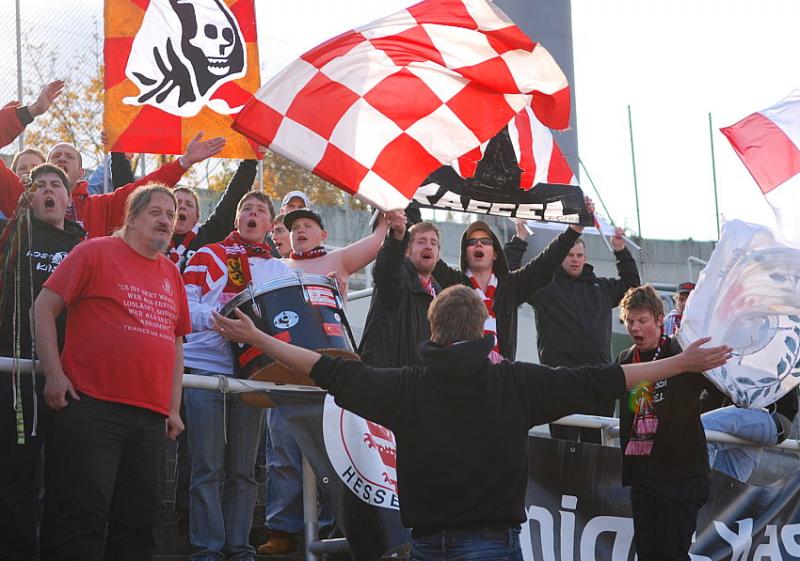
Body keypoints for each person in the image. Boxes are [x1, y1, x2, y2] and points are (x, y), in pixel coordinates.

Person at [212, 284, 731, 561]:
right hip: (491, 542)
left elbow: (329, 371)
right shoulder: (517, 384)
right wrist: (680, 363)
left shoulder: (407, 386)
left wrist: (258, 338)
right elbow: (606, 378)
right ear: (483, 330)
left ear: (433, 331)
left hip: (424, 541)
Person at [34, 184, 190, 561]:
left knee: (139, 522)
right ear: (132, 217)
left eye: (171, 215)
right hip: (91, 407)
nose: (166, 221)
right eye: (156, 212)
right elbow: (42, 308)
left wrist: (173, 407)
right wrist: (54, 375)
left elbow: (176, 343)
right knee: (81, 516)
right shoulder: (93, 252)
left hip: (150, 417)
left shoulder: (172, 273)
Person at [181, 191, 293, 561]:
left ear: (269, 225)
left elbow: (287, 321)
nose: (252, 213)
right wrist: (220, 323)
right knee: (207, 467)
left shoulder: (281, 270)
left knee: (244, 469)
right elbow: (186, 302)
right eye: (247, 208)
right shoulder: (207, 254)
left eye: (260, 210)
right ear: (236, 219)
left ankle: (239, 548)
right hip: (205, 368)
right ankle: (208, 550)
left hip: (255, 372)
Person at [0, 164, 85, 561]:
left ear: (70, 200)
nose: (49, 191)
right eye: (40, 186)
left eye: (57, 186)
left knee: (67, 479)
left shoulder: (86, 246)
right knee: (16, 475)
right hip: (15, 374)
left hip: (73, 378)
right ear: (27, 198)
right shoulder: (12, 236)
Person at [1, 105, 226, 237]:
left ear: (81, 174)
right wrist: (29, 111)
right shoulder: (23, 200)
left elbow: (144, 188)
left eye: (69, 156)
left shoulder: (102, 207)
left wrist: (184, 162)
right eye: (55, 157)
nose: (61, 158)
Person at [616, 285, 723, 561]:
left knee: (672, 555)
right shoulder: (626, 359)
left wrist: (691, 416)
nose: (635, 328)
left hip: (682, 477)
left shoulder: (680, 350)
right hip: (643, 476)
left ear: (659, 320)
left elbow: (717, 390)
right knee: (648, 555)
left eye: (642, 321)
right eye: (630, 321)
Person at [433, 202, 594, 361]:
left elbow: (545, 263)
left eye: (486, 241)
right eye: (472, 242)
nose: (479, 243)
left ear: (495, 254)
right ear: (465, 254)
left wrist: (575, 229)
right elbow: (424, 253)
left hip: (500, 378)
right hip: (462, 377)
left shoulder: (511, 286)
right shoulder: (454, 283)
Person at [531, 227, 640, 443]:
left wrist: (620, 250)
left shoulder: (600, 287)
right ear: (560, 256)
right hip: (561, 381)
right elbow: (512, 279)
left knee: (596, 450)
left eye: (579, 255)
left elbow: (632, 286)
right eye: (569, 255)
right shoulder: (544, 288)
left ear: (585, 258)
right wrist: (521, 239)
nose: (575, 260)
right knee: (564, 449)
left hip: (598, 381)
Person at [358, 219, 444, 367]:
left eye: (433, 243)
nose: (428, 246)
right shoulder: (398, 279)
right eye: (421, 241)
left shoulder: (441, 296)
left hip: (419, 384)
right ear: (406, 251)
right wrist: (397, 237)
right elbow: (386, 269)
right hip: (387, 380)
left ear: (438, 255)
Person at [701, 389, 797, 482]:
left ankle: (698, 489)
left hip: (765, 416)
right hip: (761, 423)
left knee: (700, 430)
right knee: (727, 484)